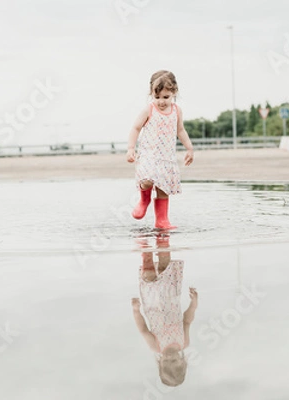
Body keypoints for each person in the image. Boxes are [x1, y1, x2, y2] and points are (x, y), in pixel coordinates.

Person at [126, 70, 194, 229]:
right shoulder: (149, 110)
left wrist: (189, 148)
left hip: (166, 158)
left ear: (174, 92)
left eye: (166, 97)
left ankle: (162, 220)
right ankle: (144, 200)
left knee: (163, 189)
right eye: (157, 97)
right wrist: (130, 148)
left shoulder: (177, 111)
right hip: (149, 155)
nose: (161, 102)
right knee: (147, 179)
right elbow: (135, 128)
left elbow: (181, 130)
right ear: (151, 94)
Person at [131, 233, 198, 387]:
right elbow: (187, 320)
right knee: (165, 266)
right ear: (182, 360)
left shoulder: (156, 346)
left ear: (160, 363)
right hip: (171, 296)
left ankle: (144, 243)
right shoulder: (184, 342)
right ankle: (162, 238)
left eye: (166, 361)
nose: (169, 357)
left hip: (151, 301)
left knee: (148, 269)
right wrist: (194, 304)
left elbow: (143, 329)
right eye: (173, 360)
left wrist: (136, 310)